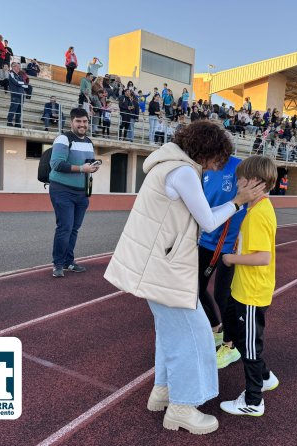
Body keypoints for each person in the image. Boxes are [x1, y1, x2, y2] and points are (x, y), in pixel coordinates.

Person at [103, 121, 266, 435]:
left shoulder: (168, 165)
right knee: (196, 337)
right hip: (166, 270)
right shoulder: (184, 173)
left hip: (157, 266)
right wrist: (238, 202)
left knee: (171, 335)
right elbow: (207, 222)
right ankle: (183, 408)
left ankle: (162, 393)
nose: (220, 165)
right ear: (206, 152)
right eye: (218, 158)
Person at [219, 155, 279, 417]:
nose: (237, 183)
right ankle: (264, 377)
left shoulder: (258, 214)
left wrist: (231, 258)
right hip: (241, 288)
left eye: (241, 179)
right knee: (232, 327)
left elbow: (262, 257)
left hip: (252, 292)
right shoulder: (254, 209)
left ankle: (254, 400)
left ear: (255, 182)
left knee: (252, 345)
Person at [197, 156, 246, 370]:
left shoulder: (240, 166)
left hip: (230, 243)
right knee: (195, 288)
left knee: (223, 295)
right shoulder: (205, 169)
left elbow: (252, 198)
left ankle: (231, 345)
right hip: (207, 239)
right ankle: (217, 329)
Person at [48, 108, 100, 278]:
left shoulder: (89, 142)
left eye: (85, 121)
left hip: (82, 192)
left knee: (74, 229)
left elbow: (86, 165)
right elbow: (56, 164)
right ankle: (58, 264)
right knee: (65, 227)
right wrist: (81, 168)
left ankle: (69, 261)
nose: (82, 124)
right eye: (78, 121)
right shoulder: (63, 139)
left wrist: (92, 167)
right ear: (72, 122)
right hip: (62, 190)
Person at [6, 62, 26, 128]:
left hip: (21, 95)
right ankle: (9, 122)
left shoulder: (19, 76)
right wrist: (21, 83)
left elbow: (24, 83)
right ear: (13, 67)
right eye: (17, 66)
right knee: (13, 109)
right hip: (15, 95)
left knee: (19, 111)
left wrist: (21, 83)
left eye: (19, 67)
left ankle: (18, 124)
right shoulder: (11, 74)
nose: (19, 68)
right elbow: (16, 82)